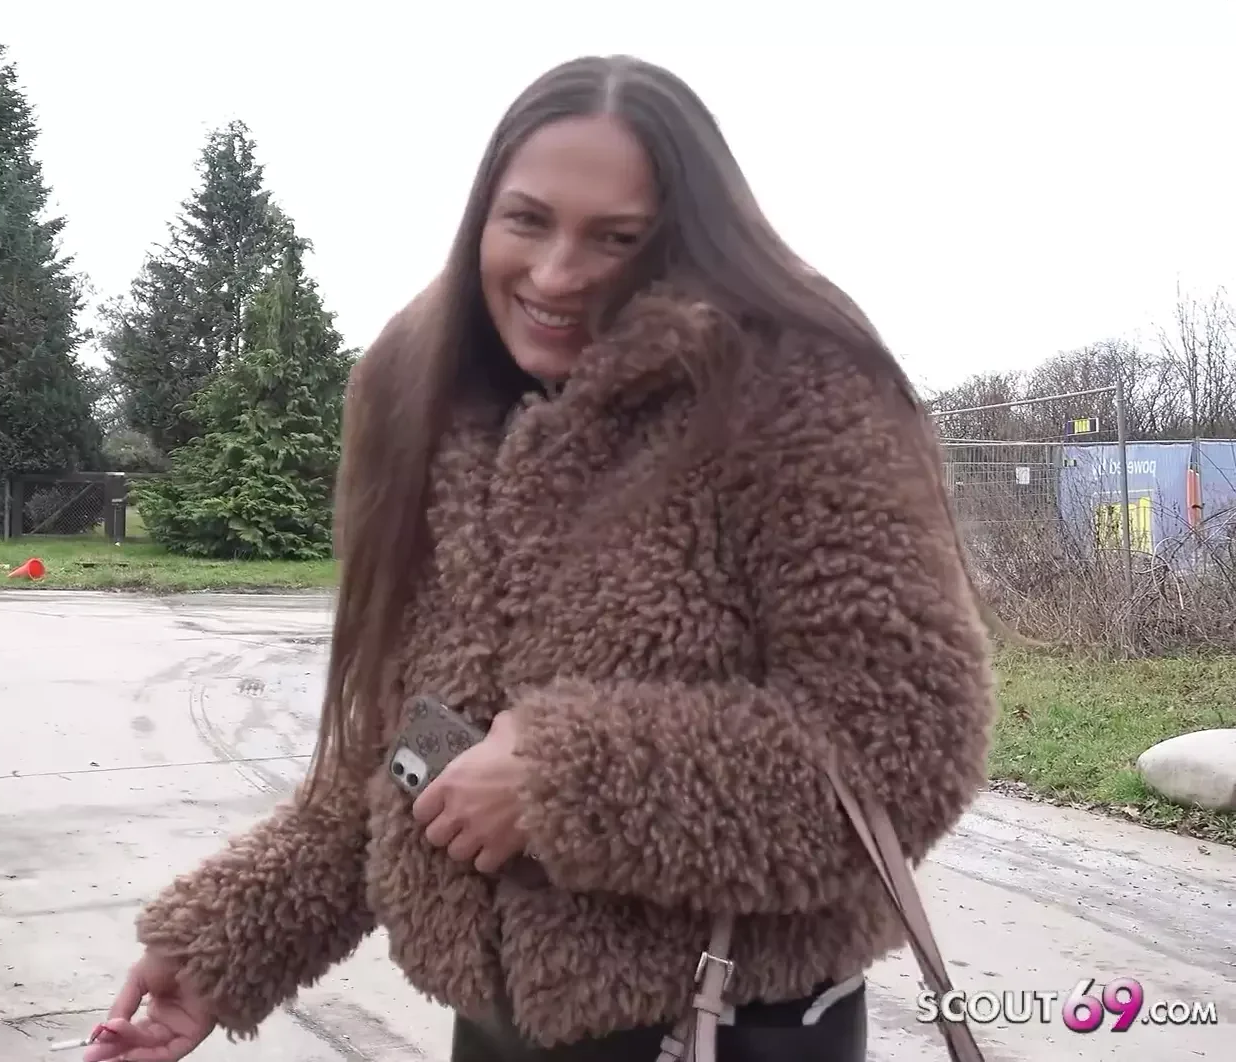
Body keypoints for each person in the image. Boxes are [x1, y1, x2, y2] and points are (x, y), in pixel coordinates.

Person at [86, 54, 995, 1062]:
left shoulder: (794, 389)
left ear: (684, 238)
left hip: (731, 1024)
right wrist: (223, 949)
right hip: (499, 1030)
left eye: (617, 238)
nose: (558, 274)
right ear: (483, 213)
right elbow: (403, 748)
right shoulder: (426, 389)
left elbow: (902, 743)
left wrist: (565, 782)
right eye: (527, 220)